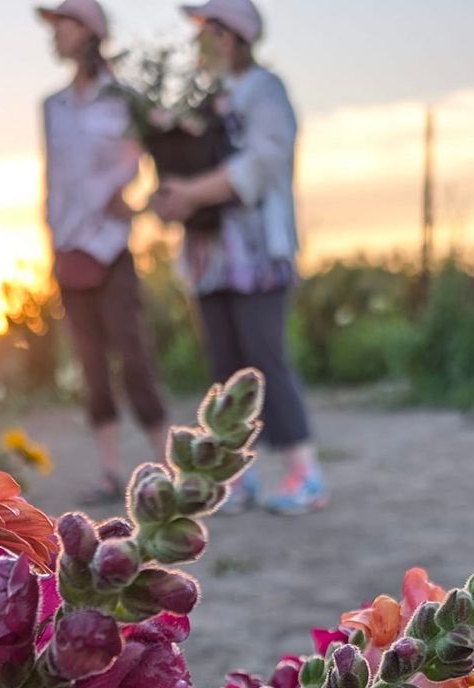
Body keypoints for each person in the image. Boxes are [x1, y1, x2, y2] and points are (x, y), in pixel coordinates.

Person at [151, 0, 325, 515]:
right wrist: (169, 194)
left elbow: (262, 164)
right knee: (225, 366)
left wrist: (190, 191)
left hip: (258, 253)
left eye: (204, 29)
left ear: (228, 37)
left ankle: (305, 473)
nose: (197, 40)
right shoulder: (207, 99)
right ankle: (236, 478)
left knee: (264, 360)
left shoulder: (266, 92)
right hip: (213, 257)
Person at [38, 0, 167, 506]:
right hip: (70, 249)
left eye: (63, 25)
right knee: (91, 364)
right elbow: (51, 178)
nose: (55, 35)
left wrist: (137, 201)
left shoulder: (125, 100)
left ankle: (160, 469)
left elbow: (158, 157)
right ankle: (111, 471)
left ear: (89, 34)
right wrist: (52, 239)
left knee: (133, 357)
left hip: (111, 248)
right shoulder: (51, 106)